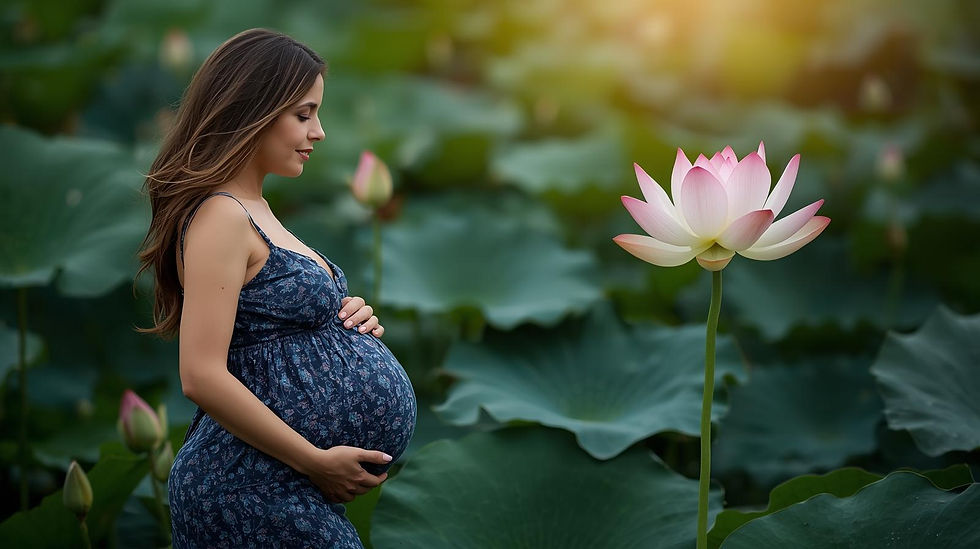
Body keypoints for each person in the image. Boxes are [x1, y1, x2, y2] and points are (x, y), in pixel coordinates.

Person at [134, 28, 417, 547]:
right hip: (246, 487)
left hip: (280, 482)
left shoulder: (255, 208)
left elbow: (272, 318)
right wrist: (315, 461)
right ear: (252, 111)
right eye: (304, 115)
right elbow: (200, 375)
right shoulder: (220, 215)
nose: (320, 132)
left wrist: (345, 319)